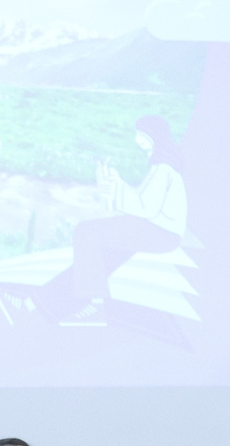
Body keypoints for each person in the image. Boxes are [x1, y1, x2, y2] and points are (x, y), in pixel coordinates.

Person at [49, 115, 188, 324]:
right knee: (96, 243)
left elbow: (146, 208)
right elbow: (142, 202)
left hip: (161, 232)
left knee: (86, 232)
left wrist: (117, 185)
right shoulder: (159, 167)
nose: (138, 139)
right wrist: (116, 184)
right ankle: (60, 300)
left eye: (143, 135)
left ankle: (94, 305)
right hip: (156, 228)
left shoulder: (163, 169)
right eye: (138, 134)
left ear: (155, 137)